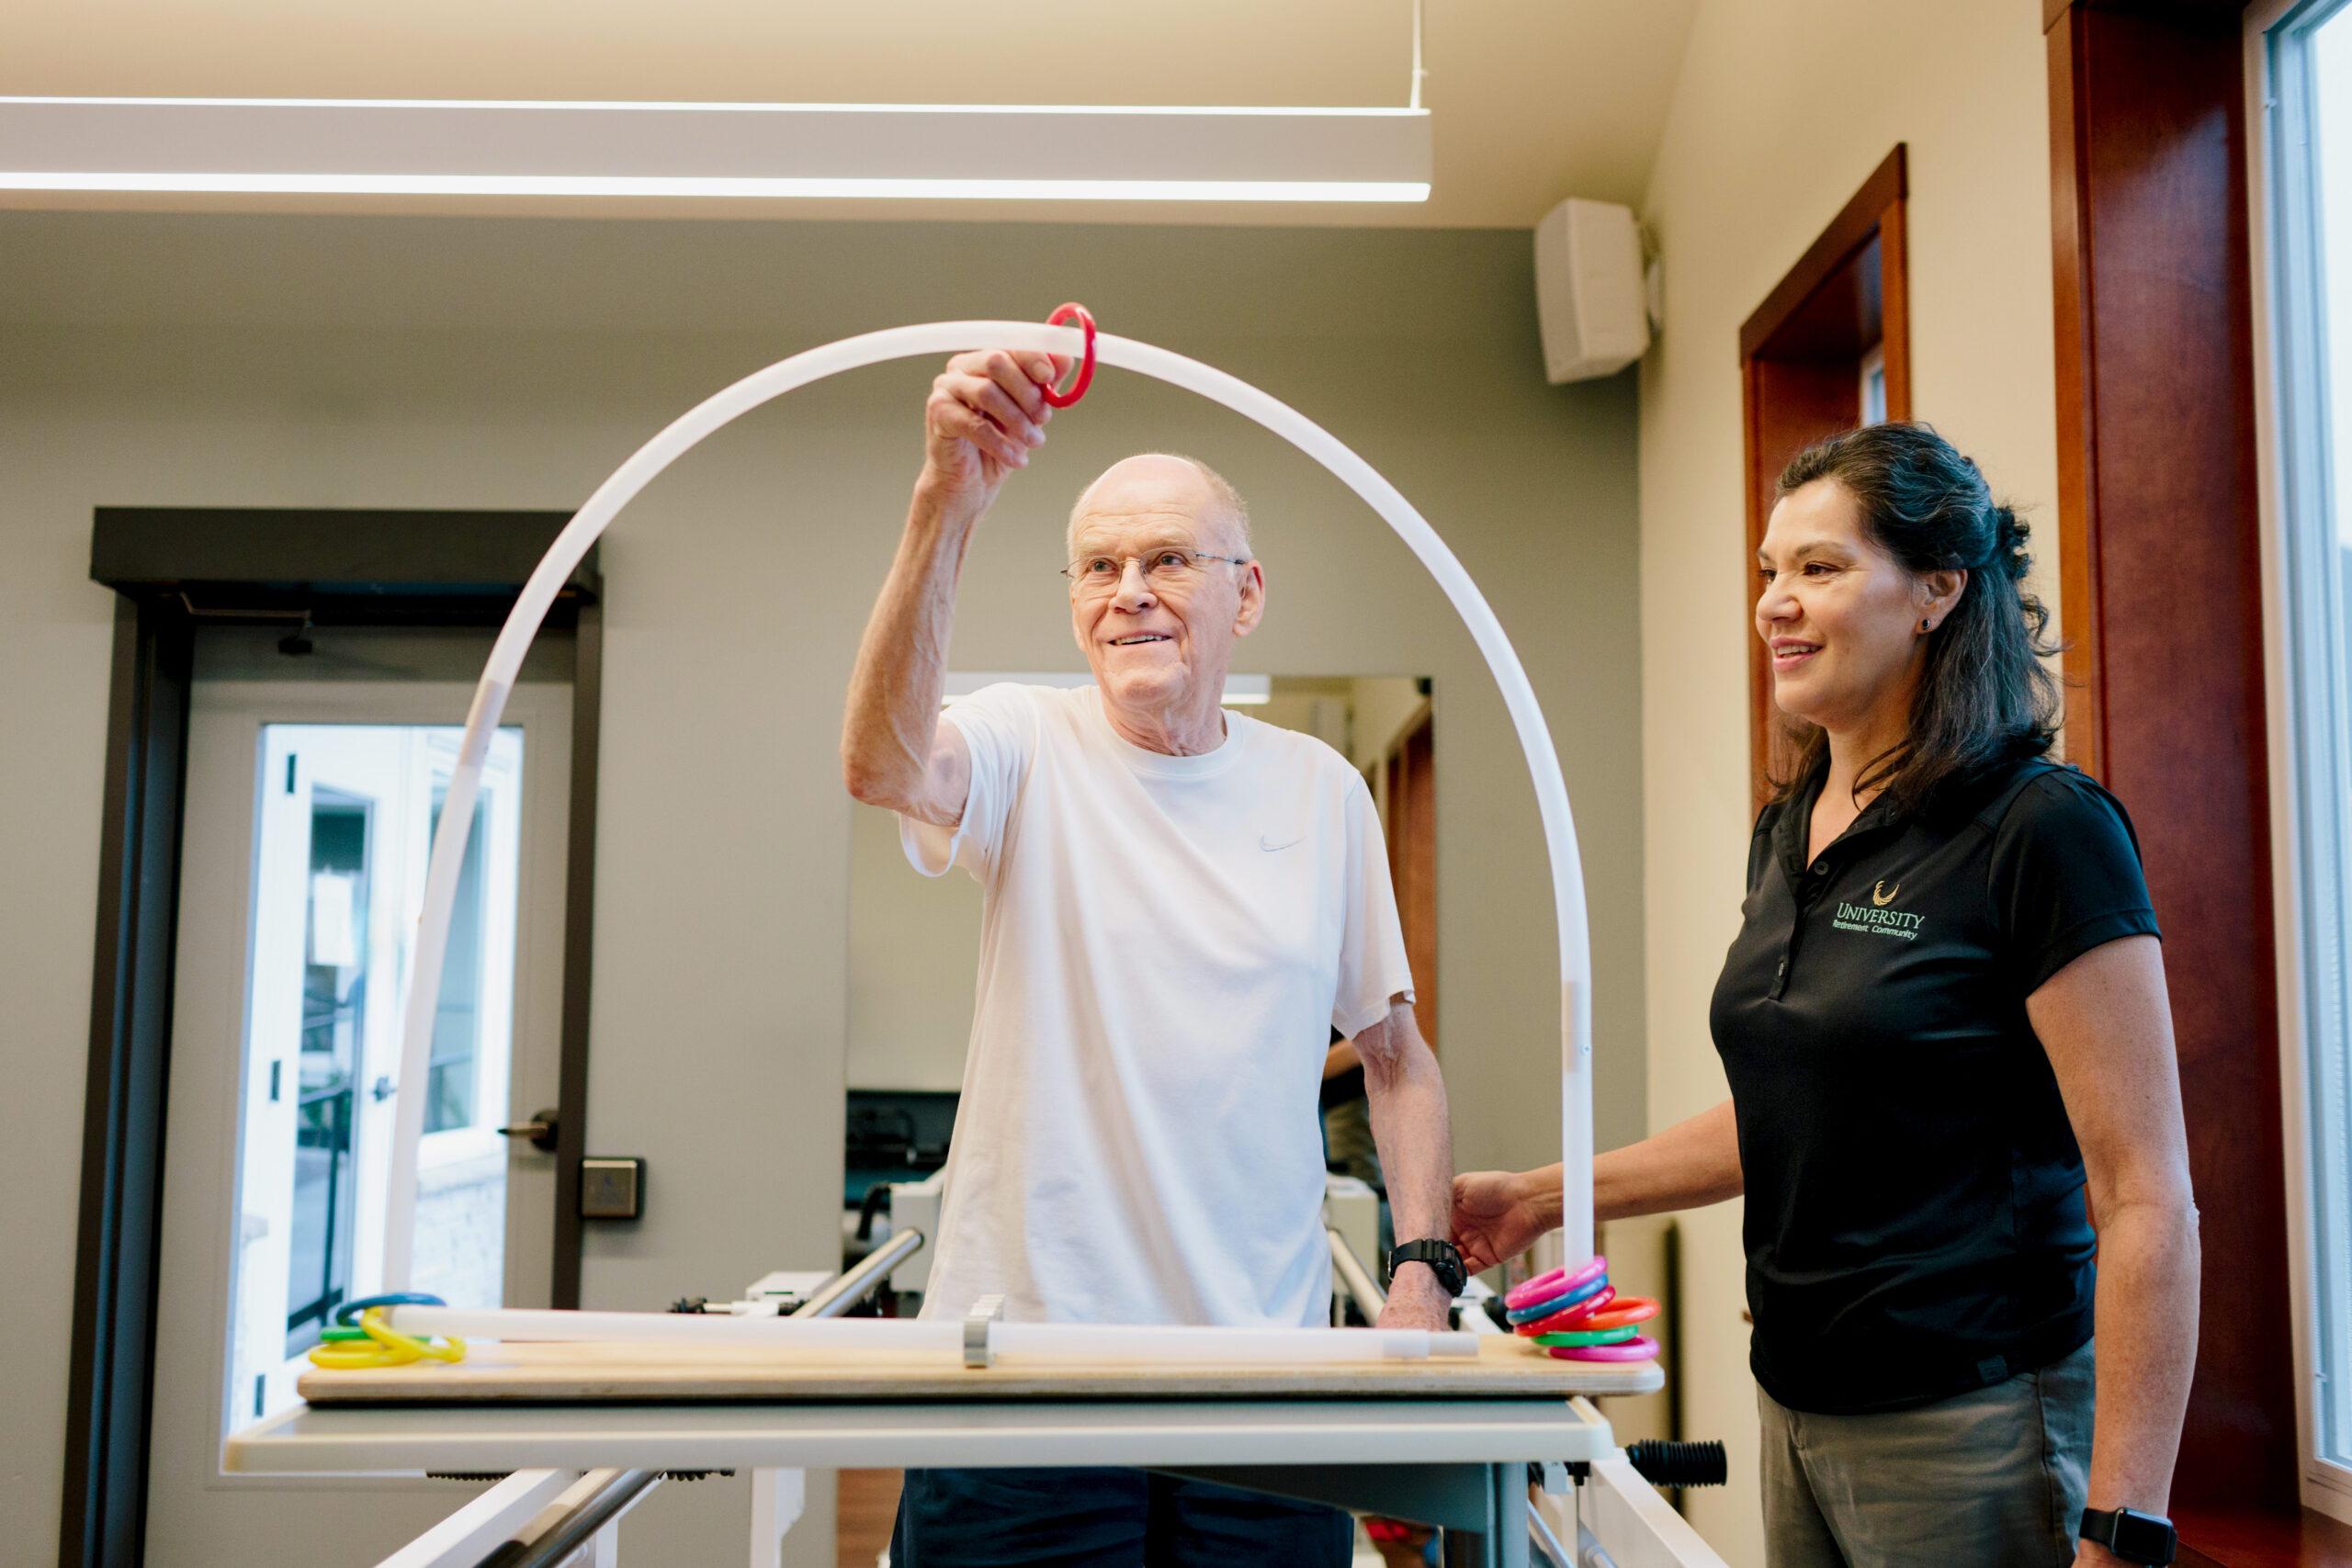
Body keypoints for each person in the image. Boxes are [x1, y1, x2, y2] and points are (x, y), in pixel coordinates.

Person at [1452, 423, 2199, 1568]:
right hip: (1796, 1413)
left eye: (1819, 568)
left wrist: (2122, 1522)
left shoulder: (2040, 829)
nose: (1774, 604)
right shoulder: (1790, 828)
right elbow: (1794, 1116)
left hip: (1977, 1423)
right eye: (1768, 572)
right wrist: (1543, 1196)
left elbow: (2144, 1194)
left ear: (1937, 591)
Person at [842, 346, 1464, 1567]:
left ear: (1247, 593)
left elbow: (1396, 1058)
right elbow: (881, 766)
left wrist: (1420, 1267)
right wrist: (945, 501)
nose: (1129, 590)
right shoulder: (1025, 739)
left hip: (1260, 1381)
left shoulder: (1322, 790)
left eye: (1169, 558)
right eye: (1099, 565)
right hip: (1018, 1374)